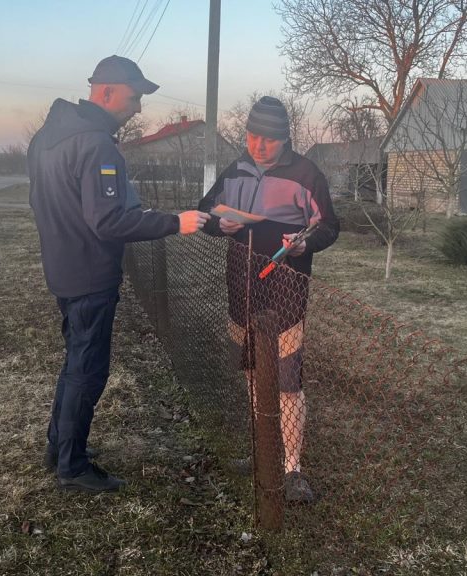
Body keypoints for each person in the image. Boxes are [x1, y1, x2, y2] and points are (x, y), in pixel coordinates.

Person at [28, 55, 210, 493]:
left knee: (75, 363)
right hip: (90, 273)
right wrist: (174, 222)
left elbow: (44, 203)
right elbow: (108, 221)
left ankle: (60, 446)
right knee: (87, 370)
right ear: (105, 91)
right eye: (134, 98)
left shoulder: (46, 139)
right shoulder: (96, 145)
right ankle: (72, 467)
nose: (138, 109)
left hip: (62, 266)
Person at [197, 96, 339, 503]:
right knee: (250, 370)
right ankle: (261, 450)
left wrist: (304, 242)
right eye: (252, 136)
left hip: (286, 290)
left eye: (269, 140)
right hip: (240, 285)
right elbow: (205, 209)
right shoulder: (236, 169)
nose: (258, 146)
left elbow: (328, 226)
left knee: (286, 378)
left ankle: (292, 469)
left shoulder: (307, 174)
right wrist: (218, 224)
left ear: (285, 138)